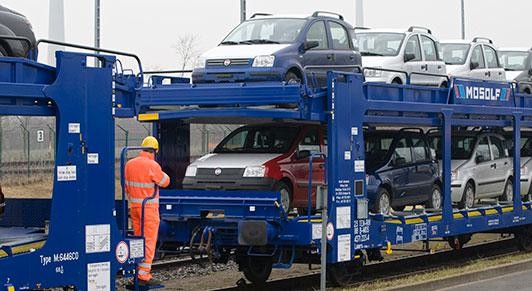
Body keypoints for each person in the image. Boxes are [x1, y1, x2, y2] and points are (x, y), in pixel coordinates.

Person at [125, 136, 170, 286]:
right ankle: (144, 276)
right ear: (154, 151)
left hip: (135, 208)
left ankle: (137, 272)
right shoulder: (153, 165)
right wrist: (166, 174)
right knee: (149, 241)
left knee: (138, 240)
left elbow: (126, 186)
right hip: (148, 210)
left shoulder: (129, 164)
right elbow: (164, 182)